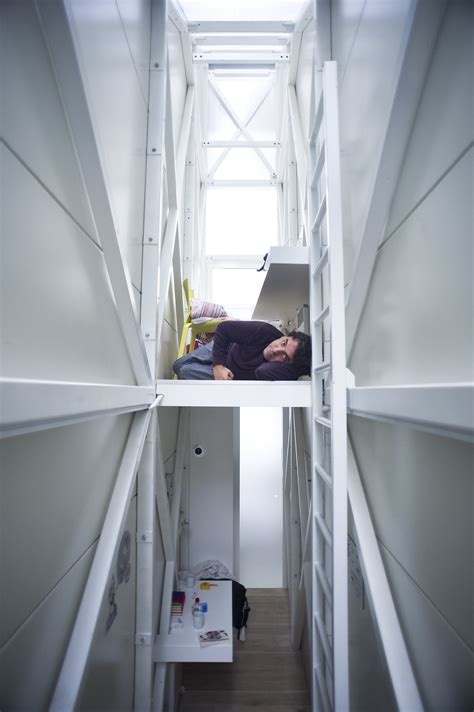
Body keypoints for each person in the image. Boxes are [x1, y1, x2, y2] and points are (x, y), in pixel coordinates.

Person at [173, 320, 311, 381]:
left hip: (229, 375)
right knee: (177, 365)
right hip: (225, 350)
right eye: (283, 342)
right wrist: (218, 366)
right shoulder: (264, 331)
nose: (277, 350)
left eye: (285, 356)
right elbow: (224, 328)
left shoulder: (279, 371)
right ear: (284, 336)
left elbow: (261, 371)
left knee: (184, 372)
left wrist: (294, 368)